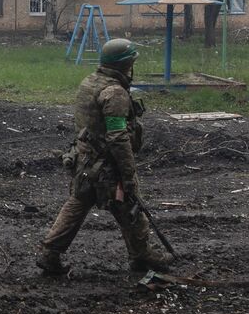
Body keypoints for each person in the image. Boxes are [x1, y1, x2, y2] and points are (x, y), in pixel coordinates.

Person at [36, 38, 175, 277]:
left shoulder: (90, 82)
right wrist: (129, 174)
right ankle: (142, 255)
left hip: (85, 161)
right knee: (130, 207)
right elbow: (118, 137)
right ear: (126, 64)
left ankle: (50, 254)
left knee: (77, 205)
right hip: (106, 166)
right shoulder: (114, 93)